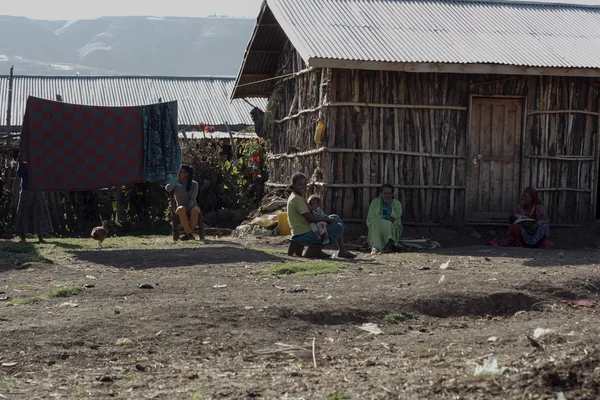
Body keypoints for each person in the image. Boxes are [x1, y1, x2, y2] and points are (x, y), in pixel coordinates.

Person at [287, 172, 355, 258]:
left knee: (335, 217)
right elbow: (310, 218)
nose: (303, 187)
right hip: (304, 233)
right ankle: (314, 251)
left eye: (304, 184)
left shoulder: (297, 197)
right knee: (338, 227)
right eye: (299, 184)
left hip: (303, 230)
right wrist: (326, 219)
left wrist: (326, 218)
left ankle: (342, 250)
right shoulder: (297, 199)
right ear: (293, 185)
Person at [14, 160, 53, 243]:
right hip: (26, 190)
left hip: (37, 189)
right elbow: (19, 174)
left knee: (39, 213)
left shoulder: (39, 161)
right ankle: (23, 238)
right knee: (24, 213)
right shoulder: (23, 163)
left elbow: (45, 172)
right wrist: (27, 167)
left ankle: (41, 237)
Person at [165, 164, 200, 241]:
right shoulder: (176, 183)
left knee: (195, 211)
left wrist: (189, 207)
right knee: (181, 209)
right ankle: (189, 234)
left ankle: (187, 234)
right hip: (181, 207)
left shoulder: (195, 184)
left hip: (192, 206)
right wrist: (175, 180)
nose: (178, 174)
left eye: (180, 172)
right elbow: (167, 188)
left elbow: (193, 198)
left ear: (186, 174)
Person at [367, 183, 403, 254]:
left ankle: (387, 245)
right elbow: (370, 219)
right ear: (381, 193)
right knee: (376, 222)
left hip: (392, 226)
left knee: (386, 224)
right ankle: (376, 247)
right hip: (376, 227)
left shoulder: (396, 204)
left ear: (392, 194)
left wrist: (389, 205)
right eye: (385, 193)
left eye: (389, 193)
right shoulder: (375, 203)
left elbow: (394, 220)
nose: (387, 195)